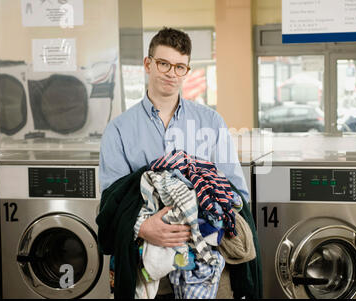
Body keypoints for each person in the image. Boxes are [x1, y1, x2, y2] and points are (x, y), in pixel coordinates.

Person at [99, 27, 249, 259]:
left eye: (180, 67)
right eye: (163, 64)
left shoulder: (211, 122)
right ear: (148, 64)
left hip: (205, 257)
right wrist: (142, 227)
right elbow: (112, 202)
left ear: (186, 70)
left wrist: (208, 222)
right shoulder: (118, 130)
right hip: (142, 258)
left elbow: (238, 194)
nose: (172, 73)